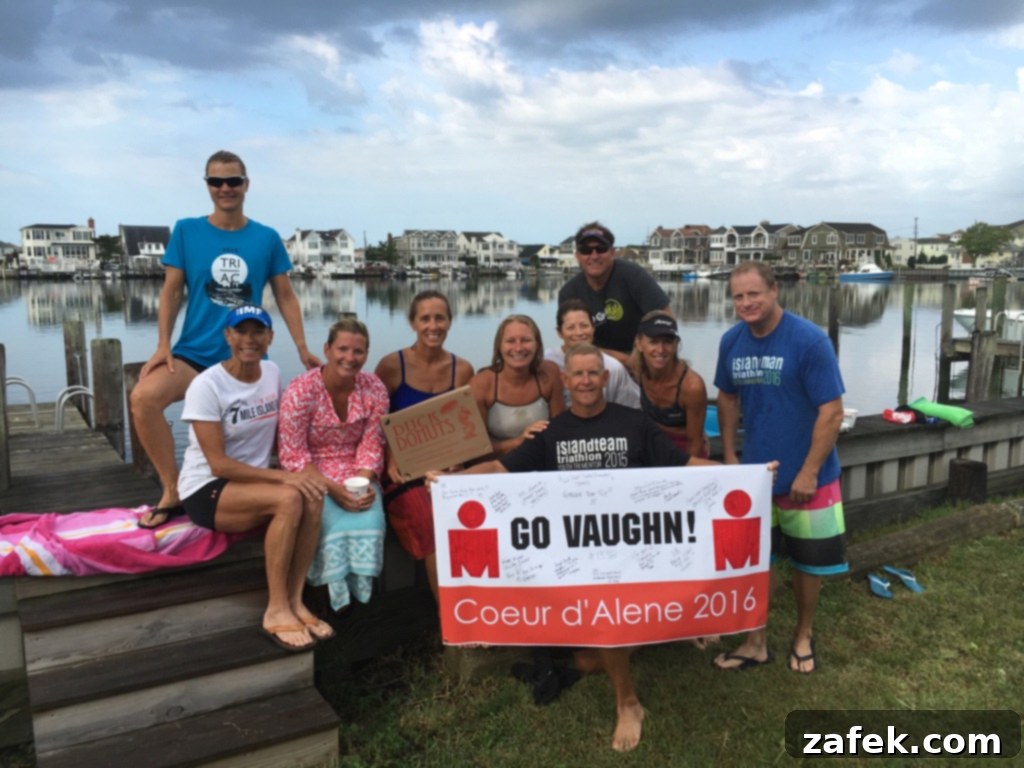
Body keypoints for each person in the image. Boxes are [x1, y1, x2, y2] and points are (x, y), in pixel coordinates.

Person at [432, 344, 719, 752]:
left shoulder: (635, 423)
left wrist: (745, 475)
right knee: (585, 662)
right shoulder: (554, 432)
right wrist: (451, 481)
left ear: (605, 379)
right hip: (578, 559)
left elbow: (680, 466)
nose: (585, 381)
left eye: (592, 374)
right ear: (565, 382)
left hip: (633, 552)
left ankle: (628, 702)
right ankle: (662, 632)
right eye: (577, 375)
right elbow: (498, 469)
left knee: (605, 624)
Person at [134, 150, 320, 529]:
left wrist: (302, 346)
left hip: (245, 356)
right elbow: (171, 292)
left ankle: (245, 484)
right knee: (143, 398)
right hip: (194, 355)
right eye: (215, 181)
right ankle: (172, 489)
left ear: (246, 185)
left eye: (233, 181)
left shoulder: (266, 238)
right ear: (207, 186)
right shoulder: (186, 231)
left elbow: (285, 295)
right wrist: (162, 345)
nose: (225, 188)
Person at [712, 261, 848, 674]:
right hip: (757, 478)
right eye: (738, 296)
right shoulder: (731, 341)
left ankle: (802, 634)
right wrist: (733, 457)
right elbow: (727, 398)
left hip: (811, 477)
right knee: (757, 562)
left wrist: (808, 471)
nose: (746, 303)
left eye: (754, 293)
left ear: (774, 291)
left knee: (809, 564)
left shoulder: (808, 341)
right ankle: (756, 640)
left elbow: (832, 411)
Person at [176, 305, 330, 652]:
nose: (250, 340)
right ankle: (275, 610)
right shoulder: (206, 386)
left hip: (254, 482)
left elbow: (283, 433)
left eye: (258, 332)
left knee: (313, 494)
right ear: (227, 336)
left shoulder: (272, 373)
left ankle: (295, 599)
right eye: (241, 331)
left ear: (270, 338)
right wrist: (283, 479)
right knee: (289, 497)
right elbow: (218, 465)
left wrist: (302, 470)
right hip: (208, 488)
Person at [278, 317, 389, 612]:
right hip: (311, 472)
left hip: (356, 470)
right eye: (342, 349)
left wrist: (363, 484)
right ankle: (329, 601)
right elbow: (293, 453)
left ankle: (362, 601)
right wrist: (333, 491)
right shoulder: (300, 390)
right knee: (325, 524)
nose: (350, 358)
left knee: (372, 521)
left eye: (358, 352)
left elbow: (372, 443)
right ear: (327, 349)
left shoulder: (374, 387)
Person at [374, 290, 474, 597]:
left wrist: (457, 463)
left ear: (450, 322)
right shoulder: (392, 366)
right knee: (429, 517)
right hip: (401, 472)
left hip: (446, 469)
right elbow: (376, 425)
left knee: (474, 511)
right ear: (413, 323)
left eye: (440, 318)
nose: (433, 325)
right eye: (425, 318)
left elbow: (464, 430)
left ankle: (483, 604)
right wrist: (390, 459)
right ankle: (450, 615)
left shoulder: (463, 370)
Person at [558, 221, 671, 367]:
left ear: (612, 252)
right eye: (586, 250)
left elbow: (666, 321)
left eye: (601, 249)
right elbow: (572, 344)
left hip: (641, 360)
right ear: (578, 256)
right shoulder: (569, 293)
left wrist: (641, 356)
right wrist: (621, 359)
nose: (594, 255)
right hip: (594, 361)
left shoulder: (634, 276)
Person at [470, 315, 565, 457]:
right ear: (499, 347)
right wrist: (519, 441)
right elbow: (475, 449)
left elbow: (560, 430)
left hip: (541, 458)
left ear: (537, 344)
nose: (518, 348)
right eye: (510, 341)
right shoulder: (481, 384)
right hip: (497, 464)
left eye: (526, 340)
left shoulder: (550, 373)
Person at [633, 310, 710, 458]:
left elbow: (694, 443)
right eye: (653, 342)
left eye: (667, 342)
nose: (660, 350)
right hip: (652, 443)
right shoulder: (637, 370)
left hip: (683, 448)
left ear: (676, 345)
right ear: (639, 343)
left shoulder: (691, 387)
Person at [544, 299, 640, 409]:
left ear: (593, 328)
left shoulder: (613, 367)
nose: (579, 333)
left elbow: (631, 406)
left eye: (584, 326)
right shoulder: (548, 360)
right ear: (559, 332)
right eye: (571, 328)